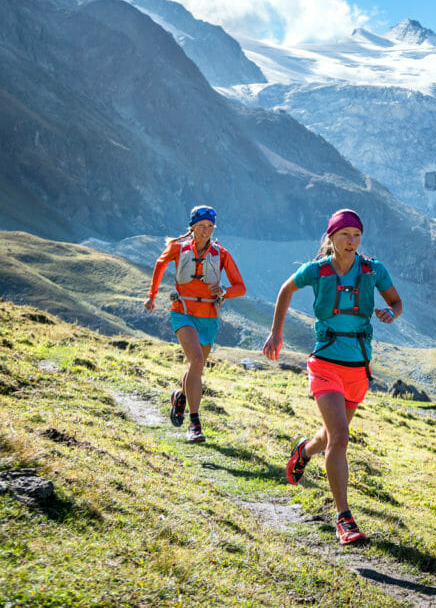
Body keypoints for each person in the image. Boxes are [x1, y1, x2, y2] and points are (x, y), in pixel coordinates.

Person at [262, 208, 402, 545]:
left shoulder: (374, 270)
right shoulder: (318, 270)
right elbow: (285, 290)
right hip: (324, 364)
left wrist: (389, 313)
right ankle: (344, 519)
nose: (351, 241)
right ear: (331, 238)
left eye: (356, 236)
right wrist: (276, 334)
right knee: (340, 437)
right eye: (345, 235)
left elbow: (397, 302)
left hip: (358, 368)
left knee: (330, 437)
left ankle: (304, 452)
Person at [144, 205, 246, 443]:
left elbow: (241, 288)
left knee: (195, 369)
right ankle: (194, 423)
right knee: (197, 360)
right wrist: (152, 295)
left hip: (209, 316)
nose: (206, 231)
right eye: (201, 226)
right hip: (183, 311)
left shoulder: (222, 254)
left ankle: (180, 395)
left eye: (210, 226)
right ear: (192, 227)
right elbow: (159, 266)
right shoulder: (178, 249)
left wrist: (224, 291)